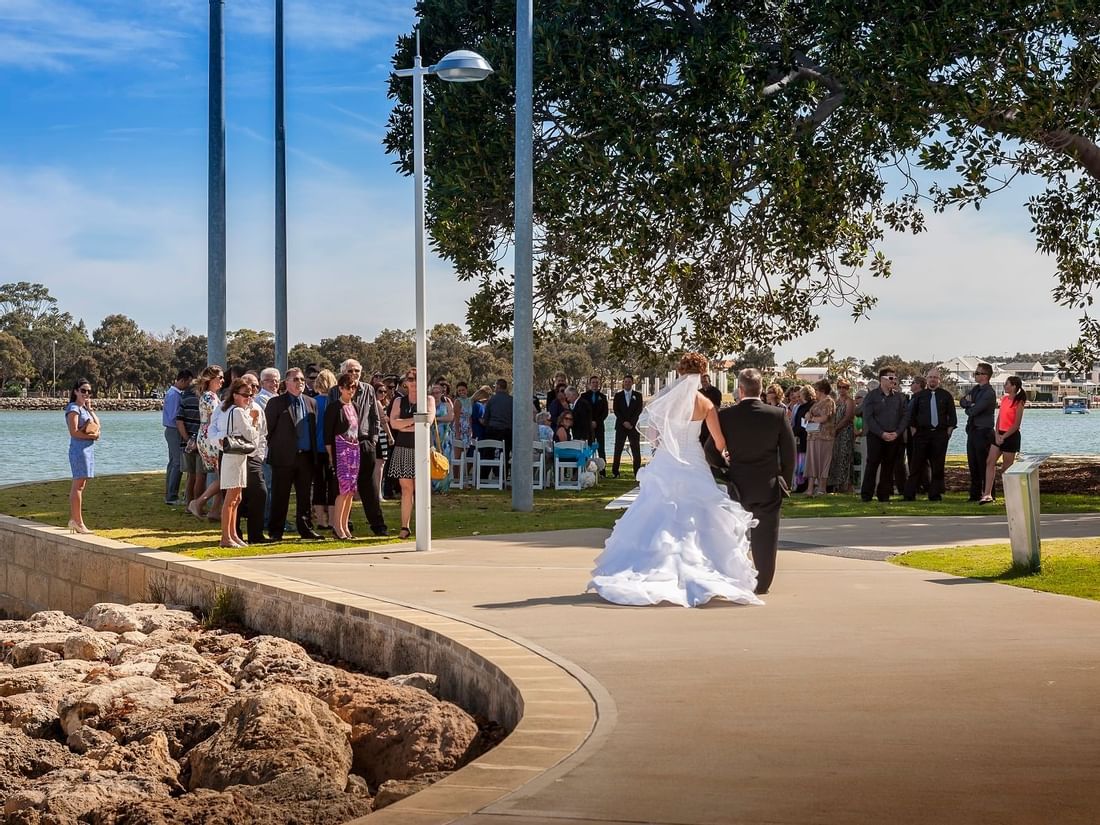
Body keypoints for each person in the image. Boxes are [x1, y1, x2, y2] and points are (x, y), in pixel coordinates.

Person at [588, 353, 762, 607]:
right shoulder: (705, 404)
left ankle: (649, 565)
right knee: (700, 514)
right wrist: (725, 453)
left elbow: (652, 434)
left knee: (657, 509)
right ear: (703, 374)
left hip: (667, 462)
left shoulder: (664, 400)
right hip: (694, 461)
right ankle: (705, 568)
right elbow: (719, 440)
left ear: (679, 372)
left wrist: (665, 445)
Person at [707, 368, 796, 595]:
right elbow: (789, 453)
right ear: (761, 388)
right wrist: (784, 480)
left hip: (737, 483)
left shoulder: (726, 416)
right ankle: (763, 583)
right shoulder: (776, 415)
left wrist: (724, 470)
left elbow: (710, 451)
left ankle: (732, 578)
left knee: (733, 534)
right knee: (766, 535)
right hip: (767, 483)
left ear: (740, 389)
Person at [330, 359, 388, 536]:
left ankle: (378, 525)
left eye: (357, 371)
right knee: (344, 487)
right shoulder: (335, 391)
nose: (354, 374)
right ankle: (342, 525)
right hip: (343, 444)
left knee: (369, 486)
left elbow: (374, 417)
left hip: (364, 442)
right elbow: (332, 417)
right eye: (350, 370)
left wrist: (374, 440)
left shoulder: (368, 389)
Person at [265, 367, 322, 541]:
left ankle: (305, 529)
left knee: (305, 496)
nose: (300, 383)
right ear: (287, 382)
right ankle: (276, 531)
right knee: (280, 495)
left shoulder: (311, 403)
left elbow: (314, 430)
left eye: (302, 380)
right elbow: (268, 430)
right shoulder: (276, 403)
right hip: (283, 457)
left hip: (305, 457)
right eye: (296, 380)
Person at [387, 369, 434, 539]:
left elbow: (427, 421)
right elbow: (394, 423)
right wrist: (414, 420)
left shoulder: (429, 399)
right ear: (405, 382)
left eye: (417, 378)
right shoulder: (399, 401)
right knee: (406, 489)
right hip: (403, 448)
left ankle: (423, 525)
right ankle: (404, 527)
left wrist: (405, 424)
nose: (413, 382)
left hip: (421, 449)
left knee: (422, 489)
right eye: (410, 379)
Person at [218, 378, 259, 549]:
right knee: (231, 498)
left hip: (234, 455)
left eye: (250, 395)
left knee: (237, 497)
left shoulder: (228, 409)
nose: (248, 399)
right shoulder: (238, 412)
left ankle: (232, 534)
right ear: (235, 395)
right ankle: (226, 537)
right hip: (235, 456)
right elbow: (250, 434)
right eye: (245, 395)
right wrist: (254, 420)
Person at [860, 366, 909, 503]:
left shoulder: (899, 397)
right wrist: (881, 433)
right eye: (891, 378)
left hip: (894, 437)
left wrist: (897, 432)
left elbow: (905, 416)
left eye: (895, 378)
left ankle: (884, 495)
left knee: (889, 466)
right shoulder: (871, 396)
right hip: (876, 436)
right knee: (872, 465)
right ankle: (867, 495)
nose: (894, 381)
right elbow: (868, 418)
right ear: (882, 379)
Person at [905, 371, 957, 501]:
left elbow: (952, 416)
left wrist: (948, 433)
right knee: (916, 466)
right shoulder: (919, 396)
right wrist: (914, 433)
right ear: (927, 380)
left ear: (939, 380)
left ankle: (934, 494)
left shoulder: (946, 396)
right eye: (930, 377)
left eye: (935, 377)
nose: (933, 380)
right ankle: (909, 495)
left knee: (937, 466)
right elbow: (911, 417)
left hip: (940, 434)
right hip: (922, 434)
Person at [235, 373, 270, 545]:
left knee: (260, 492)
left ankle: (256, 534)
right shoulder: (230, 408)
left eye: (256, 387)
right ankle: (235, 533)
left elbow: (262, 434)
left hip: (254, 457)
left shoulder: (257, 408)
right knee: (235, 496)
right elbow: (215, 429)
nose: (253, 390)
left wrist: (260, 455)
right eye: (249, 387)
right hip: (235, 456)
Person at [325, 372, 361, 539]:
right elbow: (328, 434)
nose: (351, 390)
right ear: (340, 388)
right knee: (342, 489)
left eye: (353, 387)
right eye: (348, 387)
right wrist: (331, 456)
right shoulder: (334, 407)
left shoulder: (355, 407)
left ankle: (345, 525)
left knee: (350, 491)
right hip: (341, 451)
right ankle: (337, 526)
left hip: (354, 450)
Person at [981, 376, 1026, 504]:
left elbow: (1016, 424)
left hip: (1011, 436)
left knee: (1006, 468)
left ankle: (1010, 496)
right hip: (998, 434)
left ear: (1014, 386)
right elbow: (999, 418)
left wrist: (1004, 437)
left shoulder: (1019, 402)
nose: (1005, 386)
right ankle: (987, 494)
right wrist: (997, 435)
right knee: (990, 462)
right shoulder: (1004, 399)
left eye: (1007, 384)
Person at [188, 366, 224, 521]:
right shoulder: (210, 397)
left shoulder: (210, 396)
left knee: (222, 475)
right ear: (210, 379)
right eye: (219, 378)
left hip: (206, 435)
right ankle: (198, 503)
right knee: (224, 476)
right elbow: (213, 420)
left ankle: (215, 511)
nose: (222, 381)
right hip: (210, 437)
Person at [65, 378, 99, 534]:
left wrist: (90, 409)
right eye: (83, 390)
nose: (86, 394)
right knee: (78, 485)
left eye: (88, 391)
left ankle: (75, 520)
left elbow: (97, 425)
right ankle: (77, 522)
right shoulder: (73, 408)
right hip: (79, 450)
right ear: (76, 391)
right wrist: (91, 437)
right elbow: (74, 432)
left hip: (87, 449)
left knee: (81, 485)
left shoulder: (84, 408)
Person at [961, 362, 997, 502]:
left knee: (984, 464)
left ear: (985, 376)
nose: (975, 375)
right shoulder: (976, 389)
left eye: (977, 373)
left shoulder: (989, 392)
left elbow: (975, 410)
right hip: (973, 431)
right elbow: (963, 401)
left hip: (983, 432)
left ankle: (988, 493)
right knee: (973, 464)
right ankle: (974, 494)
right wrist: (970, 403)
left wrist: (971, 406)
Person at [311, 369, 338, 530]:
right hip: (333, 448)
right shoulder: (334, 404)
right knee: (333, 485)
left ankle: (321, 521)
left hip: (316, 449)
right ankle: (334, 520)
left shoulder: (312, 402)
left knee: (319, 484)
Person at [162, 369, 193, 505]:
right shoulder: (175, 395)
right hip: (175, 431)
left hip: (171, 430)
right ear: (183, 380)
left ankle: (169, 493)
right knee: (178, 463)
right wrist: (185, 434)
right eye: (188, 383)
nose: (189, 386)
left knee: (173, 463)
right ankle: (172, 496)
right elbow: (176, 417)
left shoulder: (171, 393)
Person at [803, 379, 836, 496]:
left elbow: (824, 418)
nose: (815, 392)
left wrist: (811, 418)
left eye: (816, 390)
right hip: (812, 435)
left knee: (823, 461)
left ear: (822, 390)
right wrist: (809, 416)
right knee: (812, 461)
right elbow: (810, 415)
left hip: (825, 436)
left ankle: (822, 488)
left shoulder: (828, 402)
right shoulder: (816, 403)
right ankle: (810, 489)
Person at [176, 376, 202, 505]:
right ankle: (197, 504)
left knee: (190, 475)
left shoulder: (184, 400)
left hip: (186, 443)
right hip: (201, 442)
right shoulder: (204, 400)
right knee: (200, 476)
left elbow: (179, 421)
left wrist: (186, 439)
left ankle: (188, 503)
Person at [611, 374, 644, 478]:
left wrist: (632, 423)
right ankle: (615, 472)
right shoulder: (618, 396)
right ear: (623, 383)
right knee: (618, 449)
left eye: (629, 382)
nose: (627, 383)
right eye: (625, 382)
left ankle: (637, 472)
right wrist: (624, 422)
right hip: (621, 426)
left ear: (632, 383)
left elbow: (639, 410)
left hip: (633, 426)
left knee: (636, 450)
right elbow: (616, 410)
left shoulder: (638, 395)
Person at [828, 379, 856, 493]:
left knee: (845, 457)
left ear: (848, 388)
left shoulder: (850, 401)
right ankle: (836, 484)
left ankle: (846, 485)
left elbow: (848, 417)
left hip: (846, 432)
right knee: (836, 457)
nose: (841, 389)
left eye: (844, 387)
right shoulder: (837, 401)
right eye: (839, 387)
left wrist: (836, 429)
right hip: (836, 433)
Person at [431, 382, 454, 493]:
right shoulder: (428, 405)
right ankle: (433, 486)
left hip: (444, 436)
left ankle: (444, 486)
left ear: (441, 393)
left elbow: (450, 417)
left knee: (445, 458)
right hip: (432, 436)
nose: (435, 395)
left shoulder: (447, 405)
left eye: (437, 392)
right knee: (432, 459)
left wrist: (436, 419)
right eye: (433, 393)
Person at [585, 376, 610, 470]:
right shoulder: (584, 396)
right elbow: (583, 412)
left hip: (599, 427)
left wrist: (597, 422)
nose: (595, 384)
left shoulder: (603, 397)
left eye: (596, 382)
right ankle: (586, 469)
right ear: (589, 384)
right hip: (587, 428)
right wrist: (590, 422)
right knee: (587, 449)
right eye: (593, 382)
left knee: (601, 449)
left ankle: (602, 471)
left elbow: (605, 412)